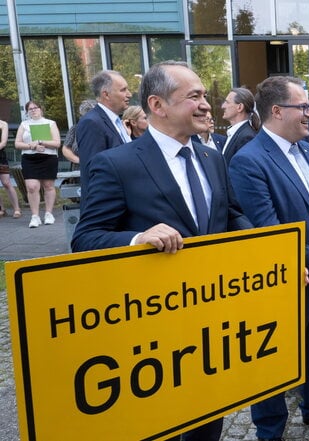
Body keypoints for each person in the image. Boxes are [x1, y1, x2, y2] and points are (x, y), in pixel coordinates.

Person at [72, 60, 252, 441]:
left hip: (210, 321)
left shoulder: (212, 158)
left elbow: (232, 215)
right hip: (153, 329)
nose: (206, 105)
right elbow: (86, 238)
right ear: (158, 105)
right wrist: (138, 239)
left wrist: (268, 254)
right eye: (195, 97)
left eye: (205, 96)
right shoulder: (116, 164)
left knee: (207, 418)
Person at [228, 76, 309, 441]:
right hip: (283, 278)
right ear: (277, 110)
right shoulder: (249, 160)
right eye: (304, 107)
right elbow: (268, 226)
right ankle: (270, 429)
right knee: (274, 357)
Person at [77, 70, 132, 192]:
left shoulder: (116, 121)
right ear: (106, 94)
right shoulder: (92, 122)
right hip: (109, 205)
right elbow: (96, 172)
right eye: (123, 90)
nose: (129, 94)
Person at [14, 100, 61, 228]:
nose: (33, 110)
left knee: (48, 186)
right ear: (27, 112)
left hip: (48, 158)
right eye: (30, 109)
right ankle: (35, 216)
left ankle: (48, 214)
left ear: (41, 109)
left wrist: (41, 141)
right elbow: (17, 143)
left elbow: (57, 143)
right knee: (31, 186)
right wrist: (31, 145)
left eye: (35, 108)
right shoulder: (24, 124)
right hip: (29, 158)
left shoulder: (50, 123)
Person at [220, 87, 260, 165]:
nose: (223, 106)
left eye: (227, 102)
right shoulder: (237, 134)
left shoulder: (246, 137)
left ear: (240, 107)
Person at [62, 99, 97, 170]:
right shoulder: (75, 129)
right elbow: (66, 149)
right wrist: (80, 161)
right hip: (79, 168)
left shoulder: (102, 128)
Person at [0, 119, 21, 218]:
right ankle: (1, 209)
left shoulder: (3, 124)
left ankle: (16, 209)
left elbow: (3, 143)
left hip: (1, 157)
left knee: (6, 183)